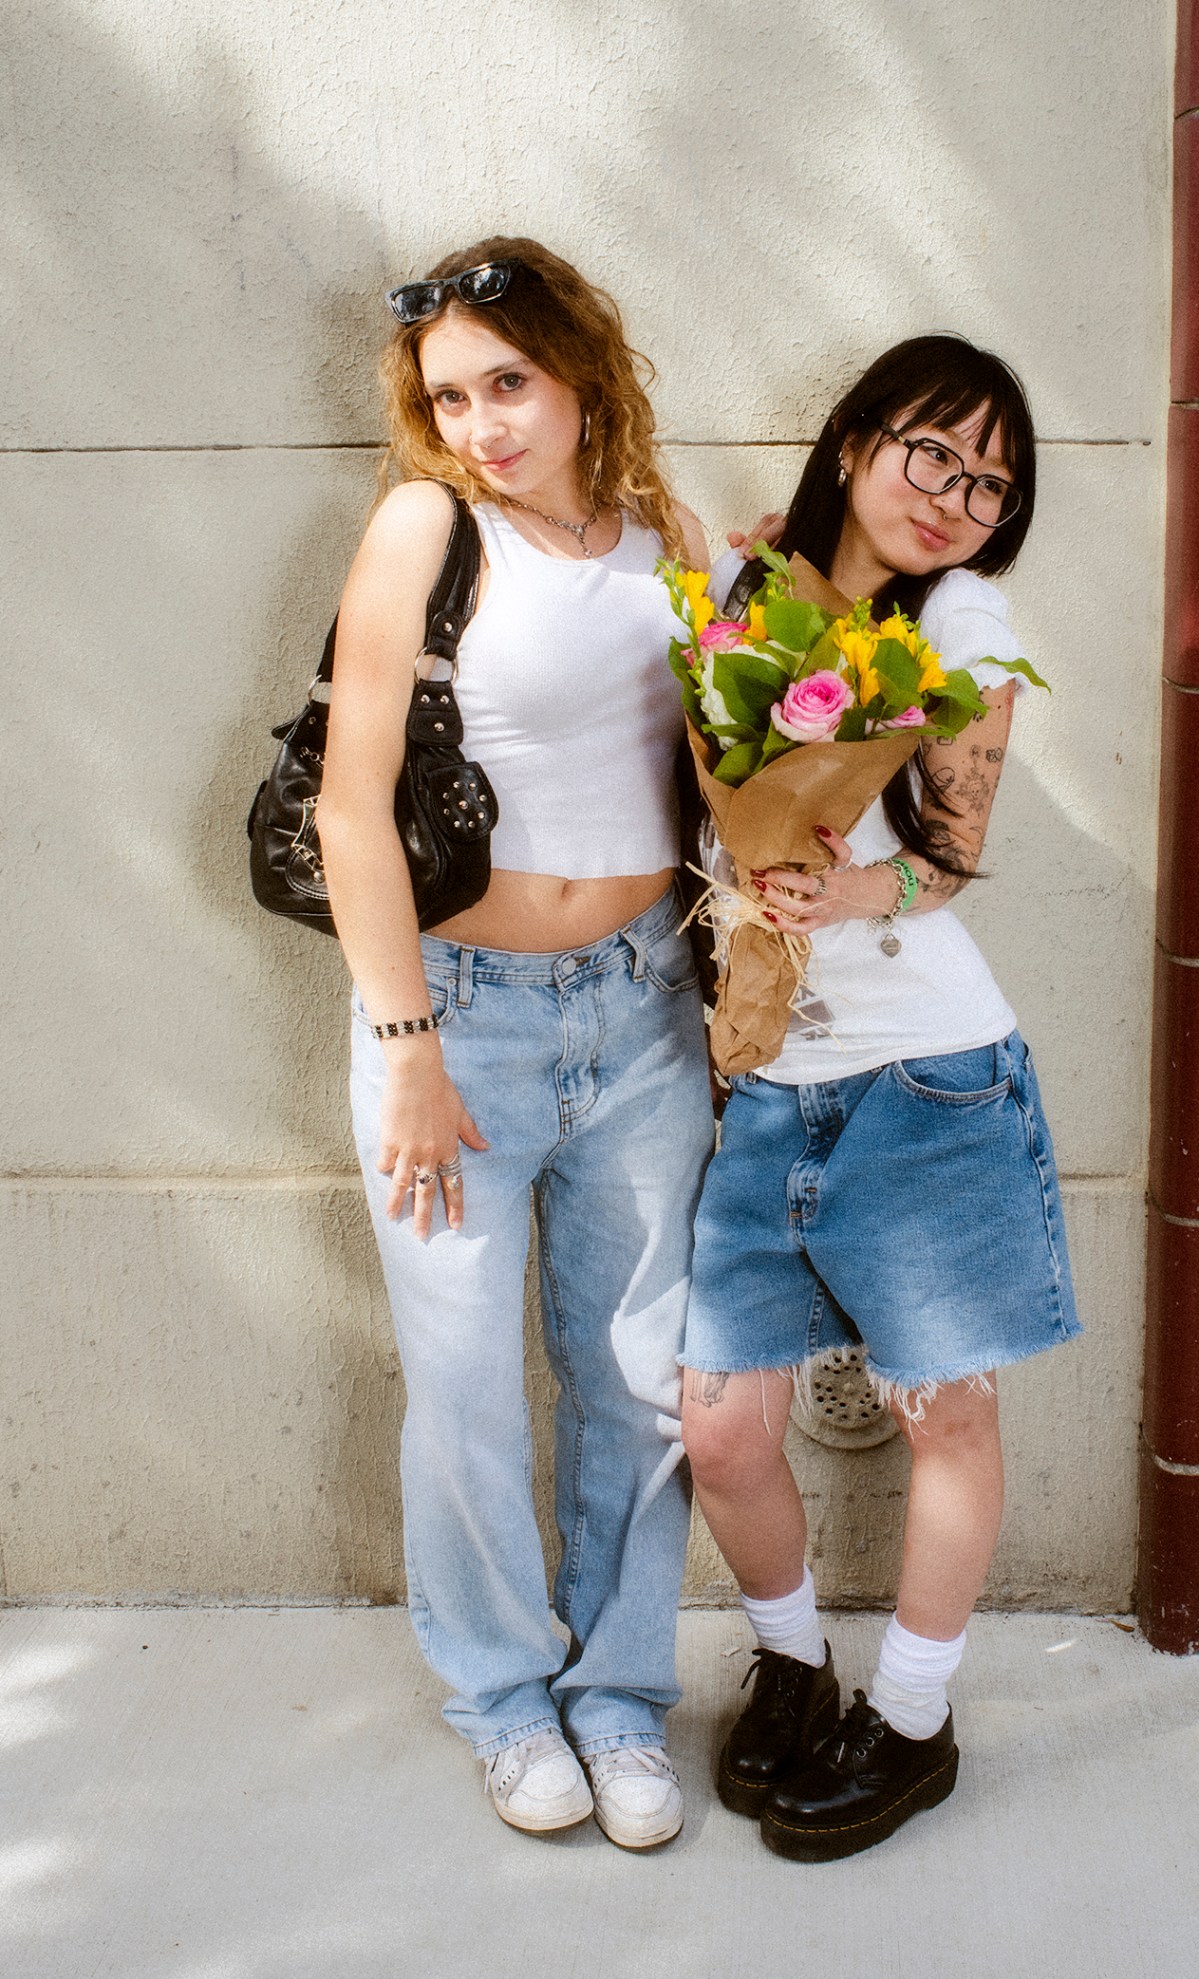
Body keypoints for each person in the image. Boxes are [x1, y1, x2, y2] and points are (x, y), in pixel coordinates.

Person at [316, 238, 715, 1849]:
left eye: (510, 384)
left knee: (638, 1384)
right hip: (460, 1027)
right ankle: (500, 1697)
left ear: (579, 371)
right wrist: (404, 1038)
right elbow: (352, 805)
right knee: (467, 1385)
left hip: (644, 1017)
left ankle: (618, 1697)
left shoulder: (665, 540)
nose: (481, 424)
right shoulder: (429, 528)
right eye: (450, 398)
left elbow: (719, 771)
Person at [680, 334, 1082, 1862]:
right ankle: (793, 1671)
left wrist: (846, 889)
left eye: (993, 482)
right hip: (769, 1081)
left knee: (946, 1416)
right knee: (720, 1426)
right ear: (854, 440)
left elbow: (953, 857)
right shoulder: (748, 598)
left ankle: (911, 1723)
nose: (961, 498)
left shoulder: (963, 621)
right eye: (937, 453)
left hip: (925, 1082)